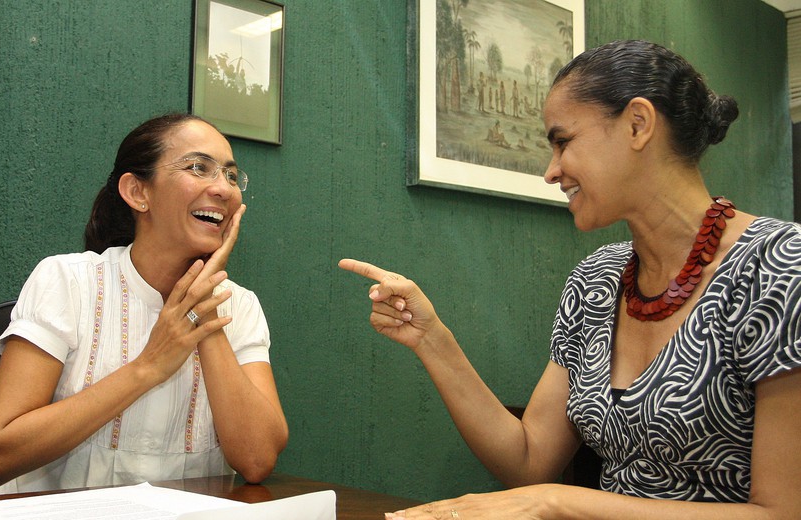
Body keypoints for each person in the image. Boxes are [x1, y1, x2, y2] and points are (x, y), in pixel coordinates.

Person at [340, 40, 801, 519]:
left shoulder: (781, 265)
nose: (551, 171)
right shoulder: (597, 279)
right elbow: (528, 460)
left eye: (562, 142)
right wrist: (431, 339)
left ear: (638, 124)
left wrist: (557, 501)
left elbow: (783, 513)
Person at [0, 113, 288, 494]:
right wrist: (148, 367)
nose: (223, 189)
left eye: (229, 174)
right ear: (138, 192)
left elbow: (257, 461)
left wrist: (203, 309)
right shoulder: (66, 280)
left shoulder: (239, 306)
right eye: (198, 167)